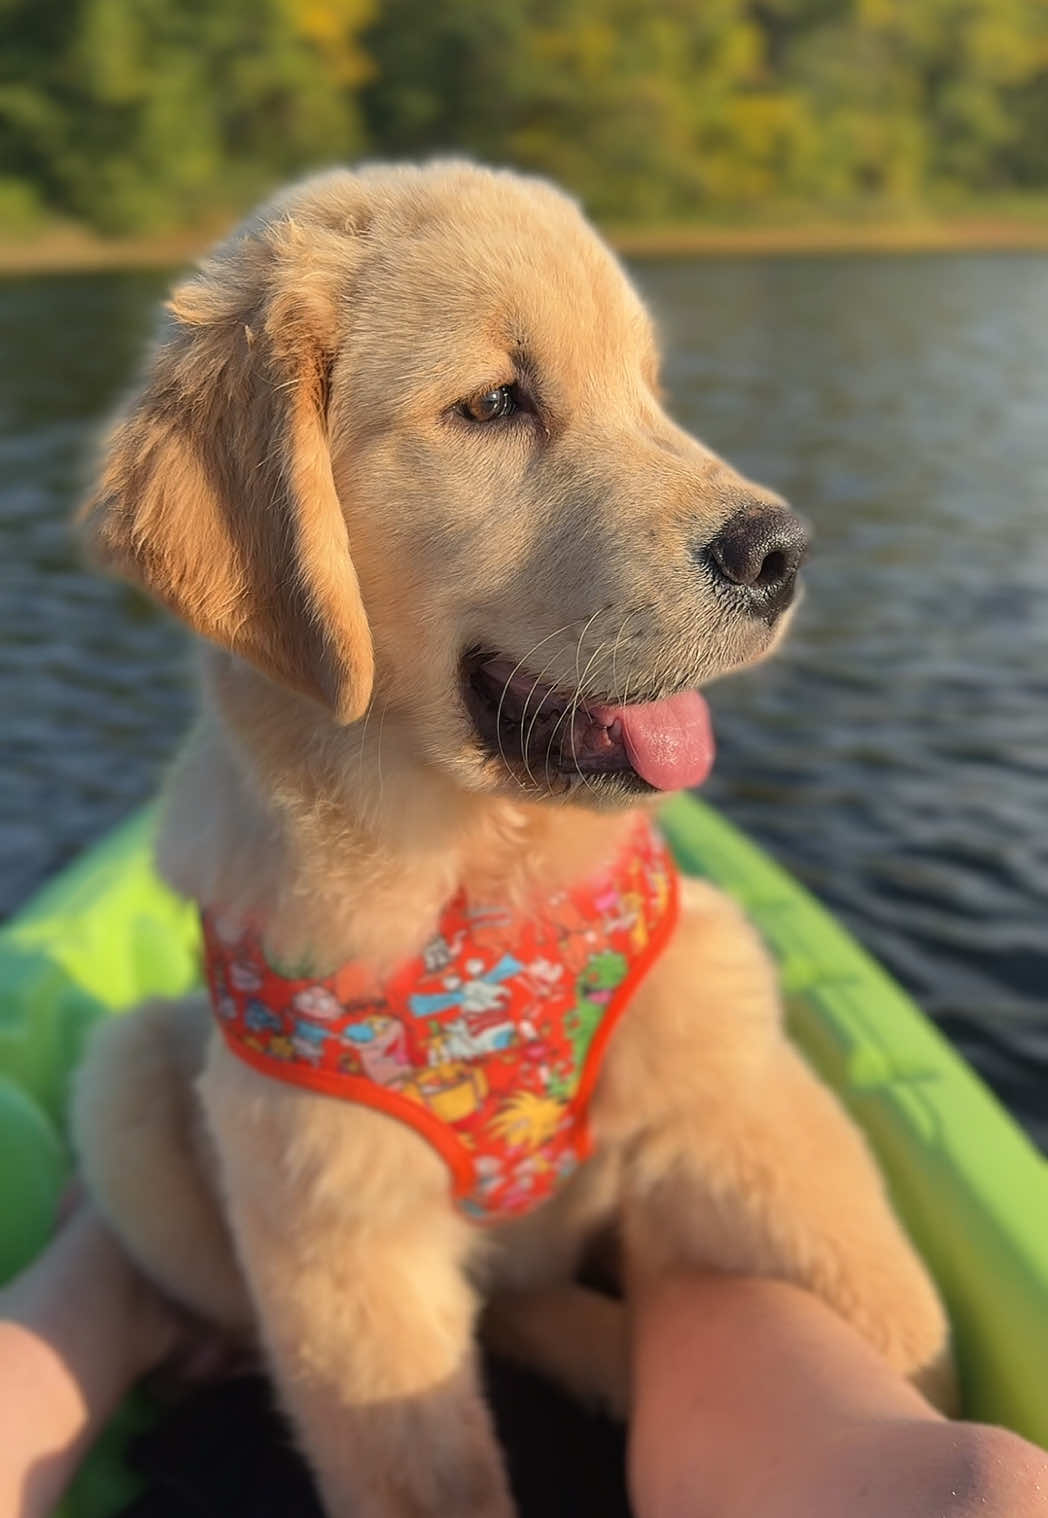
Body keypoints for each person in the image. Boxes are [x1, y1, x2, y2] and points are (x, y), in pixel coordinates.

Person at [1, 1203, 1046, 1518]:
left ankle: (113, 1268)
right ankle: (653, 1236)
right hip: (626, 1438)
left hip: (242, 1443)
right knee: (971, 1496)